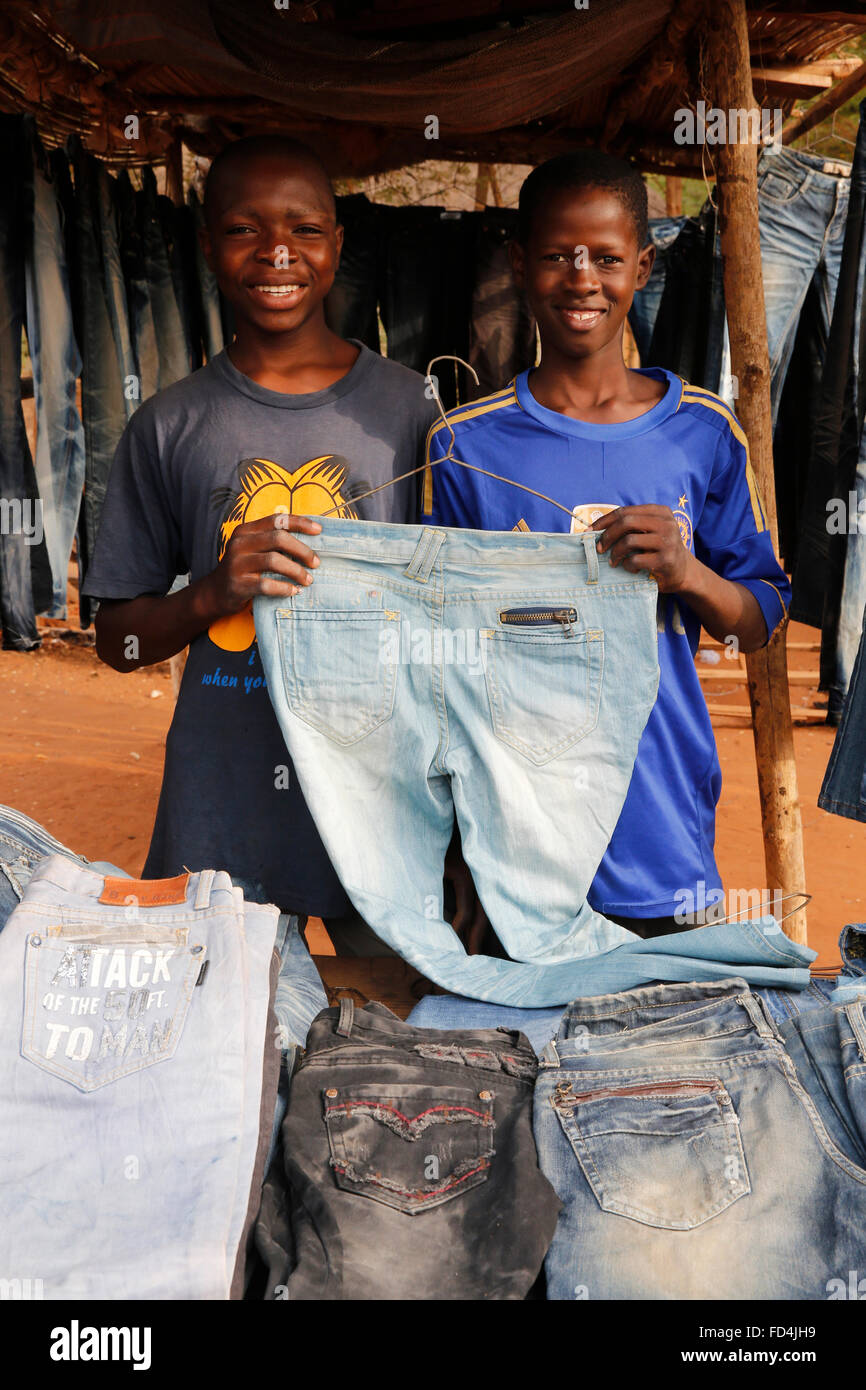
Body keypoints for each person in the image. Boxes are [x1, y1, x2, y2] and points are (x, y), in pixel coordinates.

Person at [424, 150, 791, 940]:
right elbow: (435, 661)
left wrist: (689, 572)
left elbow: (757, 619)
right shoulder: (464, 445)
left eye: (606, 257)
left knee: (660, 1053)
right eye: (557, 255)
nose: (581, 277)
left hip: (661, 829)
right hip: (515, 840)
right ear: (521, 265)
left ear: (644, 266)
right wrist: (452, 853)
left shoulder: (703, 431)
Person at [83, 135, 437, 947]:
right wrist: (211, 593)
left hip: (382, 807)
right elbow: (118, 642)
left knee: (385, 1050)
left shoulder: (411, 408)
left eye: (305, 230)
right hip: (224, 806)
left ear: (338, 245)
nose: (278, 251)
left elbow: (457, 616)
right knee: (230, 1051)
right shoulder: (170, 423)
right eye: (246, 229)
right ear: (206, 246)